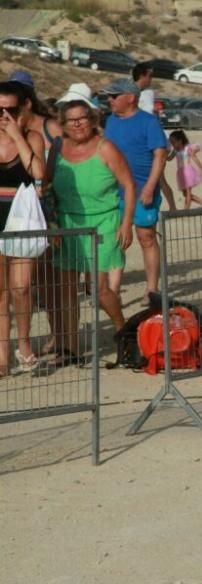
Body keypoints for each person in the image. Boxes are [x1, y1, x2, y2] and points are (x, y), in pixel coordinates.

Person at [45, 100, 135, 361]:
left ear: (92, 119)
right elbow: (47, 186)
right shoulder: (57, 149)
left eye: (82, 118)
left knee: (99, 288)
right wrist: (52, 225)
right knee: (66, 289)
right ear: (62, 124)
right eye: (71, 120)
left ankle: (123, 331)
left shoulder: (106, 148)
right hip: (67, 224)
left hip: (104, 223)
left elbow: (128, 186)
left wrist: (126, 223)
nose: (78, 124)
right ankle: (72, 349)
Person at [102, 78, 168, 300]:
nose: (109, 100)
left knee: (146, 236)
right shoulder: (110, 121)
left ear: (130, 98)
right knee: (114, 238)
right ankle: (114, 290)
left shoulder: (148, 122)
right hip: (113, 191)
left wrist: (150, 187)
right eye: (108, 96)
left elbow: (160, 155)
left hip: (141, 189)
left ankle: (152, 289)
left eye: (113, 96)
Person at [0, 81, 45, 377]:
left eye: (10, 109)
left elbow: (39, 173)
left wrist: (16, 135)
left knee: (21, 287)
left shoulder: (33, 137)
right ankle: (2, 355)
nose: (4, 114)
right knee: (0, 292)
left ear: (23, 108)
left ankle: (24, 343)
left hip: (21, 218)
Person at [133, 63, 177, 212]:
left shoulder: (144, 99)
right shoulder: (141, 99)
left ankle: (172, 207)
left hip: (152, 149)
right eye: (150, 75)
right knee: (161, 180)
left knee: (160, 180)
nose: (152, 79)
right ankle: (172, 207)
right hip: (149, 147)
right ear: (143, 75)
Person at [168, 130, 202, 209]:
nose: (172, 145)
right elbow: (169, 159)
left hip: (188, 172)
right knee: (185, 194)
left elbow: (195, 159)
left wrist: (201, 170)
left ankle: (186, 210)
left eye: (173, 142)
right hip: (180, 173)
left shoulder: (187, 149)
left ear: (180, 141)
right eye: (171, 143)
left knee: (188, 193)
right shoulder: (175, 151)